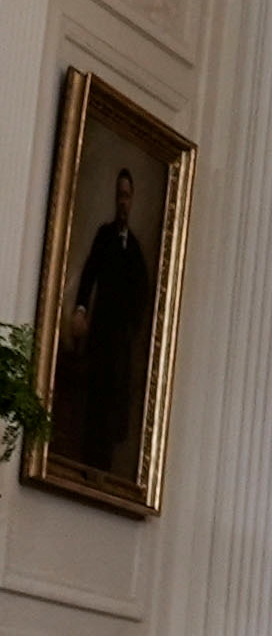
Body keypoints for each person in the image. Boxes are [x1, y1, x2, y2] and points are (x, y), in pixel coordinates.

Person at [63, 168, 153, 472]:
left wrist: (133, 328)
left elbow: (143, 293)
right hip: (101, 336)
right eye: (120, 196)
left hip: (122, 344)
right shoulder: (105, 235)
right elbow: (89, 275)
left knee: (115, 412)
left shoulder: (136, 248)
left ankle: (103, 470)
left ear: (132, 200)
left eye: (127, 196)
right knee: (96, 407)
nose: (123, 202)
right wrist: (80, 310)